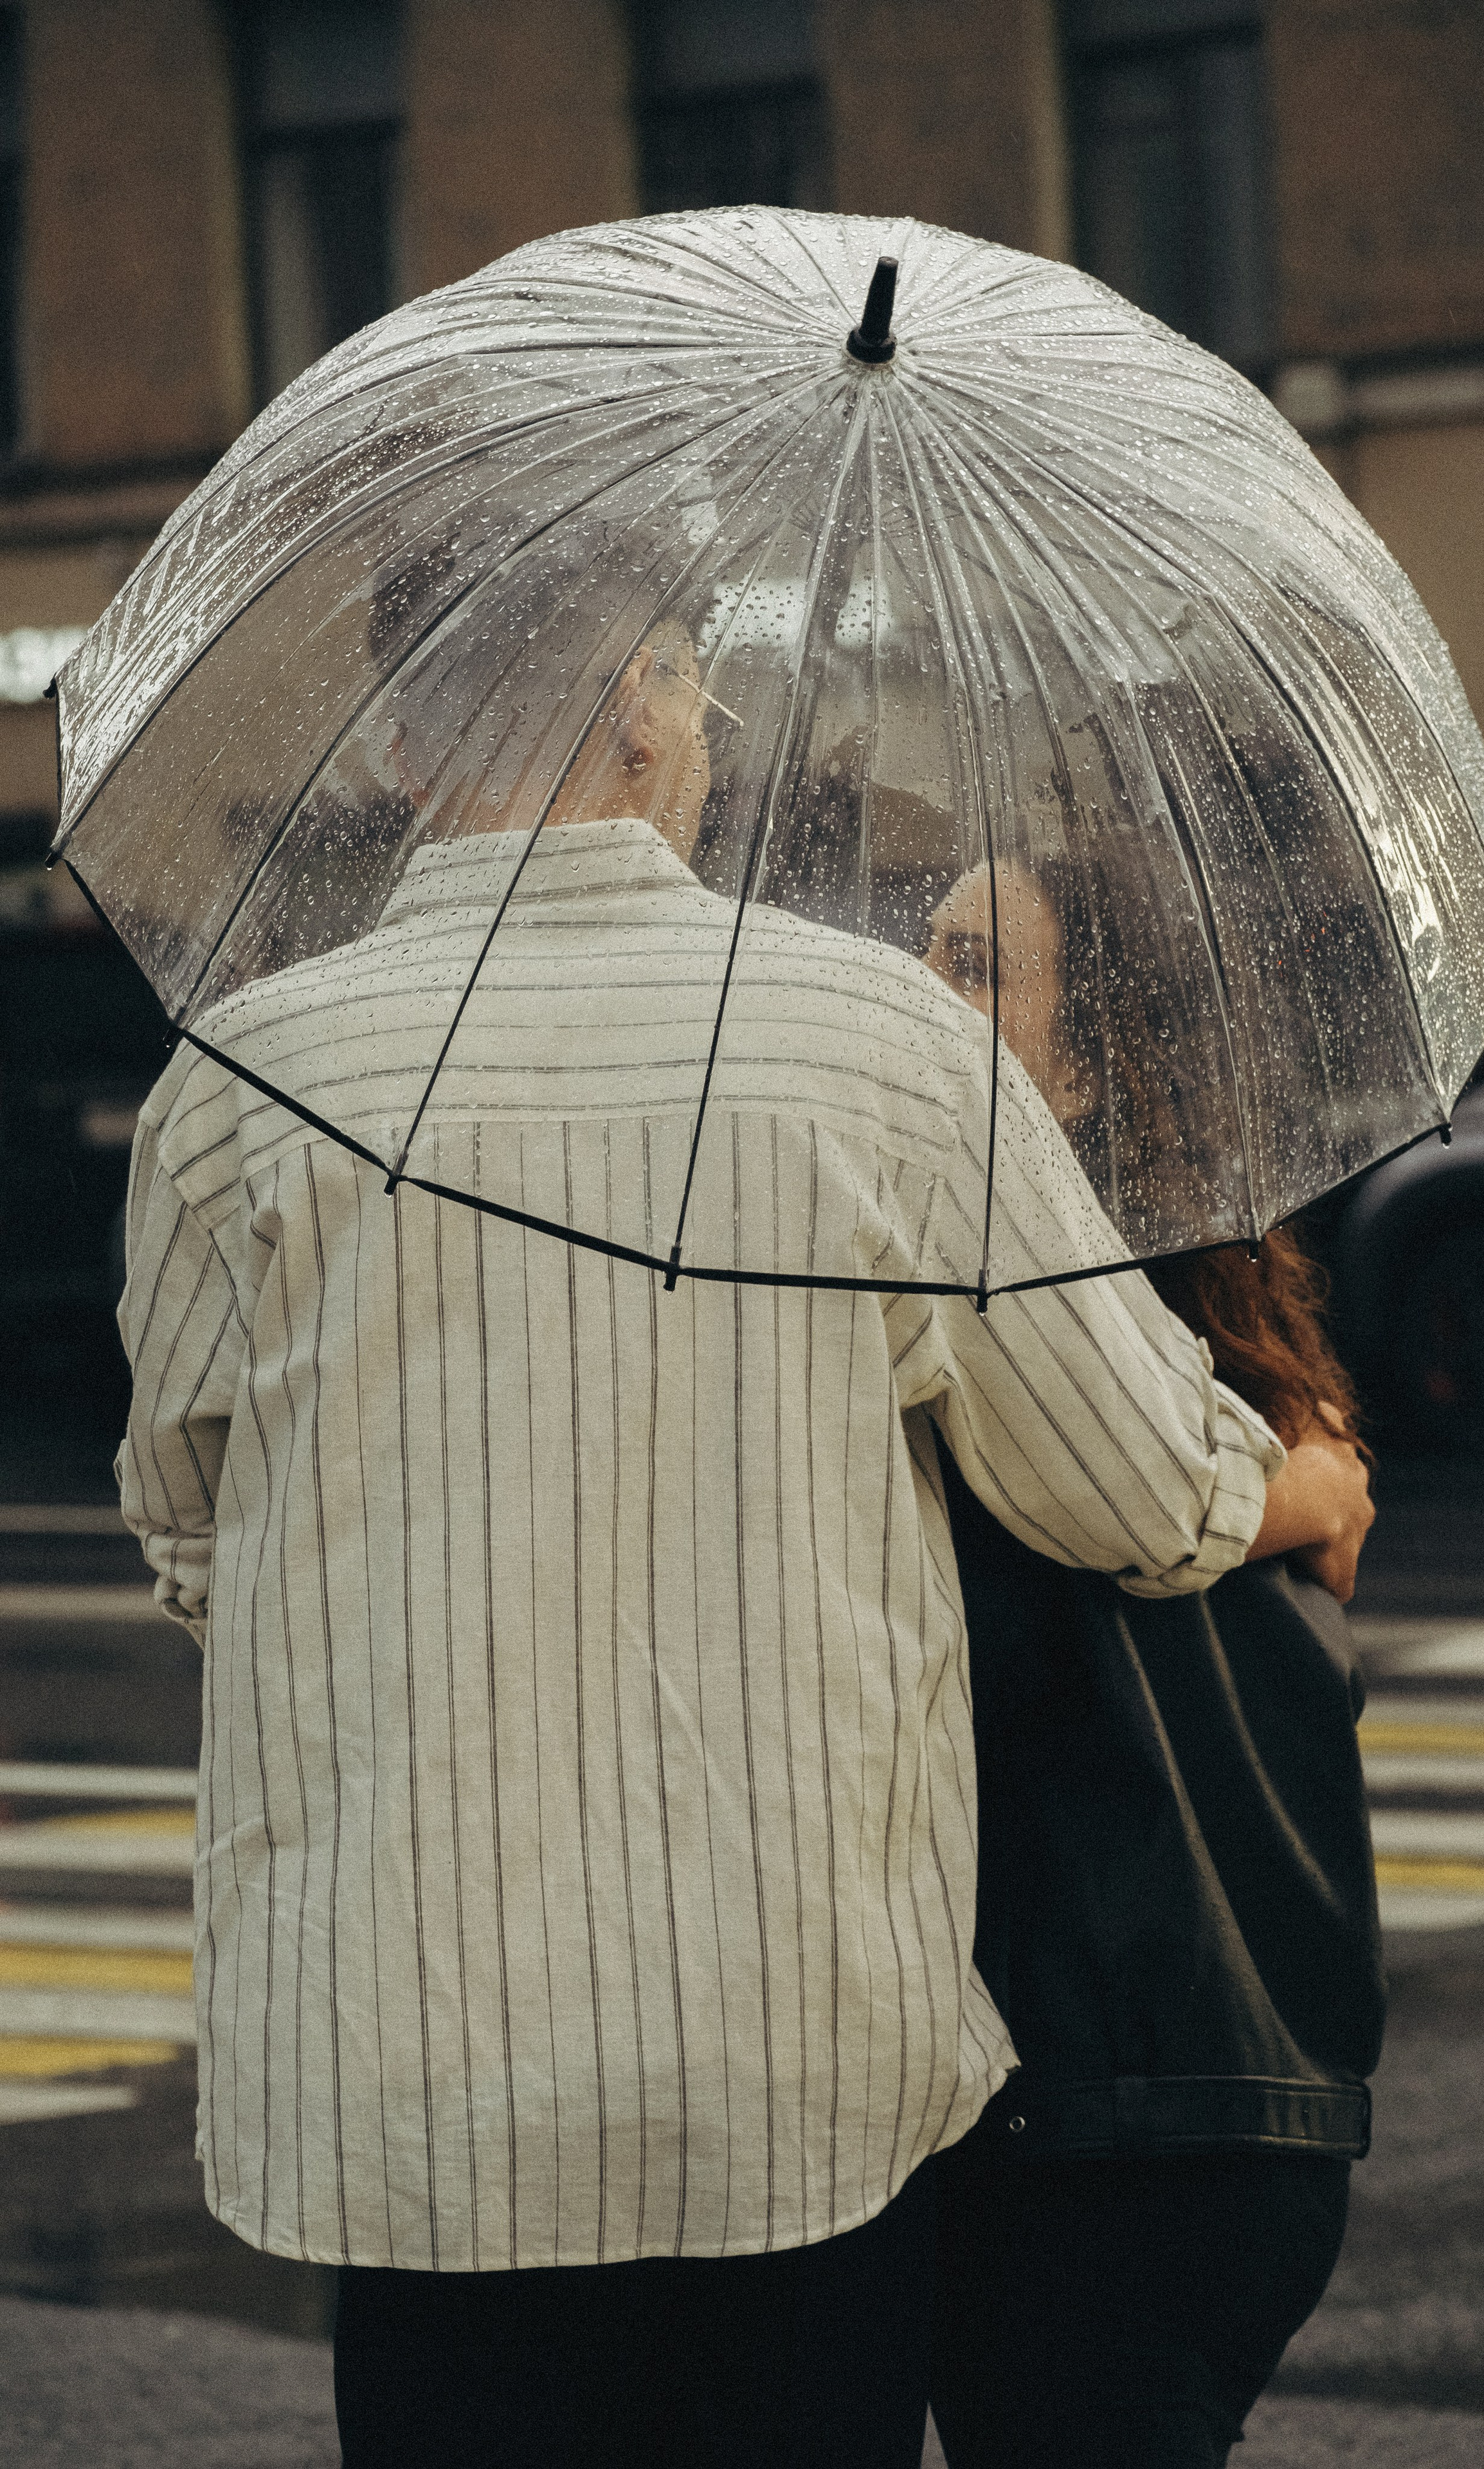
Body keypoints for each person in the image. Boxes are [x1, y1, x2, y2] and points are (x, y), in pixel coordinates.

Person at [117, 631, 1346, 2469]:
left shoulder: (246, 1082)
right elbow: (1129, 1490)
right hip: (791, 2064)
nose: (710, 728)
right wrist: (1302, 1477)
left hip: (415, 2072)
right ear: (638, 700)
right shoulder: (881, 1044)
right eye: (697, 686)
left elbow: (192, 1528)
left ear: (397, 744)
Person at [923, 856, 1380, 2469]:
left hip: (1111, 2116)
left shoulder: (1025, 1323)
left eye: (975, 966)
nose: (922, 989)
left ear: (1090, 1062)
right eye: (924, 948)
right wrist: (1309, 1483)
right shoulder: (1241, 1351)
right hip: (1248, 2094)